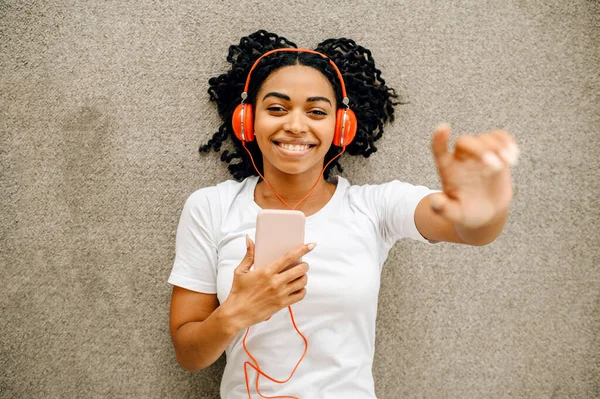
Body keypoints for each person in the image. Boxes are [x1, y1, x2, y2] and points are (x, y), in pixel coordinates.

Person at [167, 30, 519, 399]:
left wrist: (485, 208)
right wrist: (235, 313)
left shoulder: (375, 208)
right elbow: (189, 356)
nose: (296, 125)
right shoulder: (209, 207)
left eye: (317, 112)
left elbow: (471, 230)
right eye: (276, 108)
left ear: (343, 126)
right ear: (246, 120)